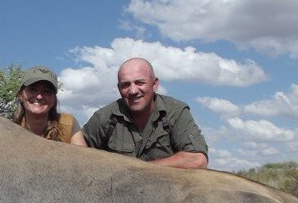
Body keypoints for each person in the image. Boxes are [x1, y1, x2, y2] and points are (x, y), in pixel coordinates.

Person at [71, 58, 208, 169]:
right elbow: (77, 158)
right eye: (125, 85)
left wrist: (139, 171)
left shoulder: (175, 111)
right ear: (118, 88)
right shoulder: (104, 117)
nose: (132, 91)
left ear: (154, 84)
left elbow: (197, 160)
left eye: (139, 83)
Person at [12, 66, 80, 142]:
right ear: (20, 95)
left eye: (46, 91)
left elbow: (81, 154)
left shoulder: (68, 124)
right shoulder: (8, 127)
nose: (39, 96)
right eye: (32, 89)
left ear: (54, 99)